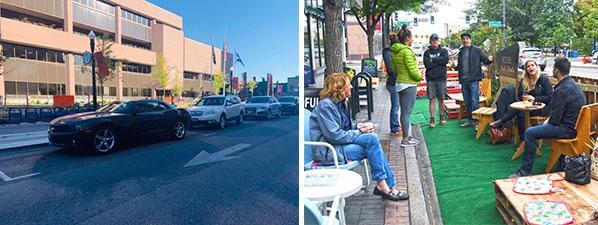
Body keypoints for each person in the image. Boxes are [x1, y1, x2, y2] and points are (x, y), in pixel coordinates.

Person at [310, 72, 409, 201]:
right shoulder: (325, 106)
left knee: (373, 145)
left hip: (340, 145)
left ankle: (385, 185)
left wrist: (360, 127)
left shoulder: (341, 102)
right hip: (329, 151)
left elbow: (346, 127)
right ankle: (386, 186)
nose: (351, 87)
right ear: (339, 88)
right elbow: (335, 136)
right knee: (372, 143)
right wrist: (360, 132)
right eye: (348, 85)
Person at [509, 57, 586, 178]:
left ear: (556, 70)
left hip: (567, 130)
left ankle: (525, 171)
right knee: (537, 128)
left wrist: (546, 122)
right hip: (576, 128)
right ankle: (561, 162)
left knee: (530, 132)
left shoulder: (561, 90)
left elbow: (555, 121)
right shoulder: (574, 86)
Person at [489, 60, 554, 140]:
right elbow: (519, 95)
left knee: (519, 112)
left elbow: (549, 97)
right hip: (527, 107)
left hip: (541, 108)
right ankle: (523, 140)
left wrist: (534, 98)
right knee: (520, 111)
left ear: (537, 67)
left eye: (532, 65)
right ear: (526, 69)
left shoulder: (544, 80)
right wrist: (524, 97)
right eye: (528, 66)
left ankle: (501, 122)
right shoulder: (524, 80)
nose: (530, 67)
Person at [390, 25, 422, 147]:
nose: (413, 40)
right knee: (406, 113)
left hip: (399, 83)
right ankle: (405, 139)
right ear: (407, 38)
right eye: (412, 37)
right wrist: (419, 76)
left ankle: (406, 137)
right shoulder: (406, 51)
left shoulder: (395, 51)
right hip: (409, 84)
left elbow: (392, 68)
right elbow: (413, 70)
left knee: (403, 112)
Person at [456, 32, 493, 128]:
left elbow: (485, 60)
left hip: (473, 80)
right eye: (463, 39)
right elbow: (459, 65)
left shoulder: (477, 50)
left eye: (467, 38)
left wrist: (489, 59)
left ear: (470, 39)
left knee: (474, 101)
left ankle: (477, 122)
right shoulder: (461, 51)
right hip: (464, 80)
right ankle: (470, 120)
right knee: (467, 101)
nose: (465, 40)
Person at [423, 33, 449, 128]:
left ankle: (442, 116)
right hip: (431, 79)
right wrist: (439, 62)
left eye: (436, 40)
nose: (434, 42)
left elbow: (445, 60)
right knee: (432, 99)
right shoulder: (426, 52)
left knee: (441, 98)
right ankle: (432, 117)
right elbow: (427, 65)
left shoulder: (443, 50)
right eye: (433, 40)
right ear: (430, 42)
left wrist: (433, 60)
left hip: (441, 78)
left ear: (438, 41)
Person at [383, 32, 401, 136]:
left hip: (394, 81)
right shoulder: (389, 52)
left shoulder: (389, 51)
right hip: (393, 81)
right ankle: (394, 128)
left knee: (396, 105)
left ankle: (396, 125)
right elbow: (391, 68)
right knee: (395, 105)